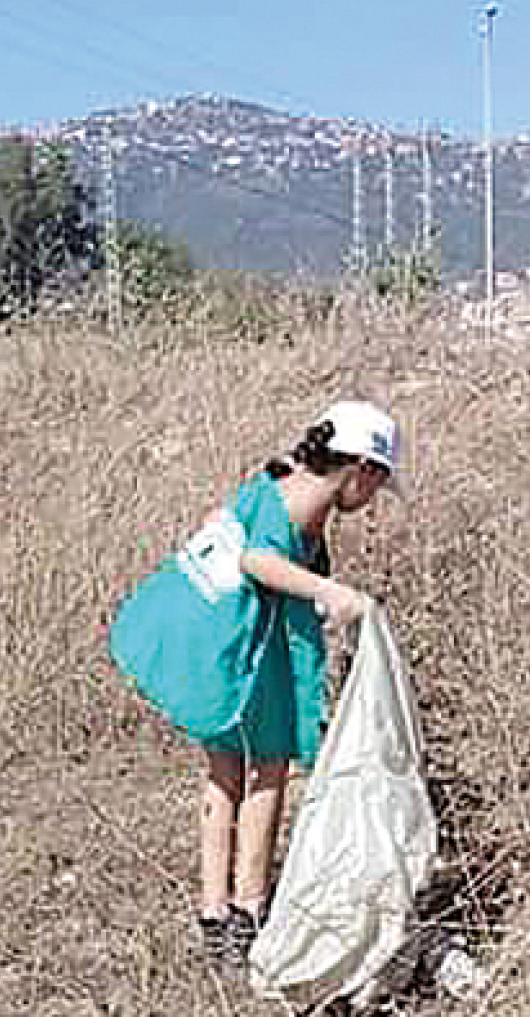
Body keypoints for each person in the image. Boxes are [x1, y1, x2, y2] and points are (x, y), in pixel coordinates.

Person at [108, 400, 401, 966]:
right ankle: (248, 908)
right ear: (361, 470)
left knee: (225, 772)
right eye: (378, 486)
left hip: (218, 644)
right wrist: (335, 594)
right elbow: (258, 560)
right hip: (226, 650)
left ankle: (214, 912)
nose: (371, 503)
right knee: (270, 767)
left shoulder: (282, 477)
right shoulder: (296, 505)